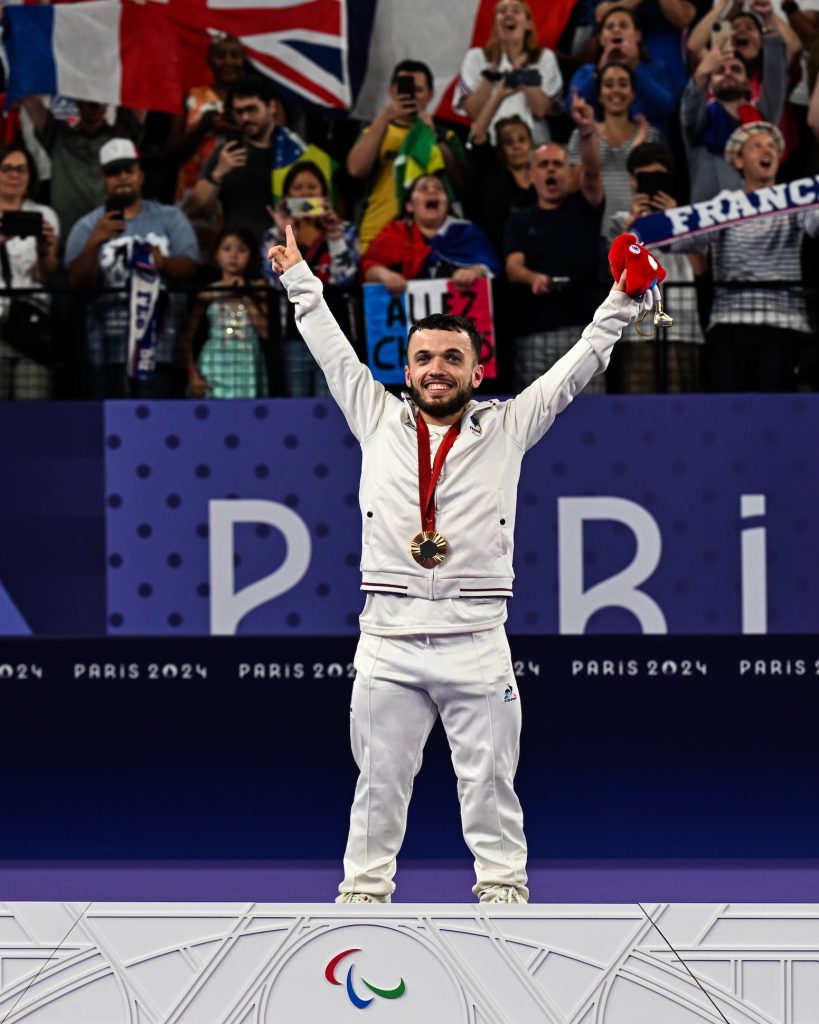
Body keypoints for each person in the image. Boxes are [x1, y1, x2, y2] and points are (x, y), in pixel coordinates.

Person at [268, 221, 649, 904]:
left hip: (476, 642)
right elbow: (329, 347)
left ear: (478, 370)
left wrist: (620, 299)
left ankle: (503, 898)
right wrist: (299, 278)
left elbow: (577, 366)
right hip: (387, 641)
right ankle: (362, 901)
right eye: (423, 357)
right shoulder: (375, 416)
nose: (436, 368)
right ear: (405, 369)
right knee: (378, 785)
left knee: (490, 785)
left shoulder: (507, 426)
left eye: (451, 357)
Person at [673, 122, 819, 390]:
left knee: (775, 408)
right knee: (728, 408)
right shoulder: (725, 203)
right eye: (757, 146)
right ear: (738, 160)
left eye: (772, 146)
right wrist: (654, 229)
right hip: (730, 322)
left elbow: (815, 224)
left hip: (782, 322)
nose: (768, 151)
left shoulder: (794, 199)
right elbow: (687, 240)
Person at [65, 138, 199, 398]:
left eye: (128, 169)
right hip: (105, 349)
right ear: (104, 179)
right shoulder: (87, 226)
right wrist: (94, 242)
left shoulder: (170, 217)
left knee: (156, 419)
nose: (122, 177)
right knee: (110, 421)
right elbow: (76, 282)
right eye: (114, 171)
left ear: (141, 175)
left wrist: (163, 262)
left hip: (160, 348)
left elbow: (190, 265)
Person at [503, 92, 606, 392]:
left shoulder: (584, 208)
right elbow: (513, 267)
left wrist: (586, 131)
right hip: (535, 333)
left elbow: (592, 172)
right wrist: (533, 278)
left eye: (558, 164)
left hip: (584, 333)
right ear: (532, 174)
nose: (550, 169)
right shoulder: (519, 219)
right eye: (543, 164)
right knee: (533, 413)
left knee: (591, 407)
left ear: (569, 172)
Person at [607, 141, 704, 391]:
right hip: (636, 330)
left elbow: (700, 267)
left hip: (682, 328)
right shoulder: (620, 224)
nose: (652, 185)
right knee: (639, 407)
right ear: (633, 181)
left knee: (684, 406)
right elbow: (616, 276)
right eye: (645, 178)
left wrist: (676, 220)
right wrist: (633, 227)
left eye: (659, 179)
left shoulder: (688, 219)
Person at [346, 60, 465, 253]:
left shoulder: (445, 136)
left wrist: (434, 137)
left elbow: (461, 184)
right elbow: (355, 170)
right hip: (378, 236)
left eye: (418, 90)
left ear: (430, 94)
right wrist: (385, 116)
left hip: (432, 242)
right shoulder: (374, 131)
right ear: (392, 90)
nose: (411, 96)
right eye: (404, 89)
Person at [262, 160, 358, 396]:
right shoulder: (274, 234)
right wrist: (282, 232)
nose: (305, 193)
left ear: (324, 194)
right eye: (298, 188)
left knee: (336, 404)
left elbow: (345, 278)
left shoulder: (344, 230)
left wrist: (334, 234)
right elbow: (272, 281)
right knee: (298, 405)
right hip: (295, 336)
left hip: (336, 333)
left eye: (312, 187)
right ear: (286, 196)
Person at [681, 21, 788, 201]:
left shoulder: (761, 121)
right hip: (711, 215)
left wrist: (770, 25)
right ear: (710, 84)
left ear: (747, 83)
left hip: (760, 212)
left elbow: (776, 81)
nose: (728, 73)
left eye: (736, 69)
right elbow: (689, 110)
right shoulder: (701, 122)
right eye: (720, 70)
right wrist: (701, 73)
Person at [21, 96, 142, 241]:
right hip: (68, 239)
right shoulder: (58, 137)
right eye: (89, 102)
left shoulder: (122, 138)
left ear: (107, 104)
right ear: (78, 102)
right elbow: (29, 98)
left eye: (99, 102)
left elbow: (143, 92)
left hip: (116, 239)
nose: (94, 107)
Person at [566, 61, 661, 240]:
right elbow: (572, 186)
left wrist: (637, 153)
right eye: (609, 85)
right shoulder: (582, 135)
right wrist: (589, 142)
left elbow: (656, 191)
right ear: (599, 95)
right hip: (594, 233)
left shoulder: (650, 135)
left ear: (632, 94)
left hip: (638, 232)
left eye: (623, 84)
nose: (616, 90)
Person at [362, 174, 499, 295]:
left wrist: (474, 271)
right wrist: (384, 275)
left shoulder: (466, 232)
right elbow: (368, 269)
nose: (432, 191)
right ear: (409, 205)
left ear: (447, 203)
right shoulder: (393, 233)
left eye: (439, 188)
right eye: (423, 188)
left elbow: (491, 266)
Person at [455, 0, 564, 145]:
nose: (509, 15)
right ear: (495, 24)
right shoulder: (476, 57)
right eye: (502, 11)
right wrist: (492, 71)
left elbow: (540, 110)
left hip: (534, 144)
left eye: (516, 11)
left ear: (528, 24)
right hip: (489, 144)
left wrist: (518, 67)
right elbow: (474, 113)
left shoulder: (544, 57)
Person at [187, 76, 279, 244]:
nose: (245, 118)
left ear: (271, 107)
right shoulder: (227, 152)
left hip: (284, 249)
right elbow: (194, 209)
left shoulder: (292, 152)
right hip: (238, 250)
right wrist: (218, 174)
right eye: (239, 112)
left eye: (251, 109)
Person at [0, 143, 60, 399]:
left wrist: (44, 252)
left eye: (21, 169)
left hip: (30, 324)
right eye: (7, 169)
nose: (14, 175)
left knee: (31, 407)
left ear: (30, 177)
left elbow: (45, 275)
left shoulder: (43, 214)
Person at [182, 227, 269, 399]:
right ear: (216, 254)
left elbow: (265, 332)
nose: (233, 255)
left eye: (242, 250)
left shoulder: (258, 289)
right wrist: (193, 376)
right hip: (213, 366)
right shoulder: (207, 294)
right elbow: (186, 339)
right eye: (227, 249)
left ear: (251, 255)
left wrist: (244, 295)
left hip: (248, 367)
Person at [569, 6, 678, 134]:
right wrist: (599, 72)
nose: (616, 30)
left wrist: (634, 68)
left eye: (623, 26)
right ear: (601, 38)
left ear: (638, 35)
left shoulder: (658, 69)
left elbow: (667, 108)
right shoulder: (587, 72)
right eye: (610, 27)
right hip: (599, 141)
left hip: (649, 141)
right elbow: (572, 109)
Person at [464, 115, 536, 257]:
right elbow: (478, 134)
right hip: (496, 254)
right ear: (500, 149)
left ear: (531, 144)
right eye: (508, 142)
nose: (516, 146)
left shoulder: (542, 178)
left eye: (522, 140)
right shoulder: (491, 174)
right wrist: (498, 99)